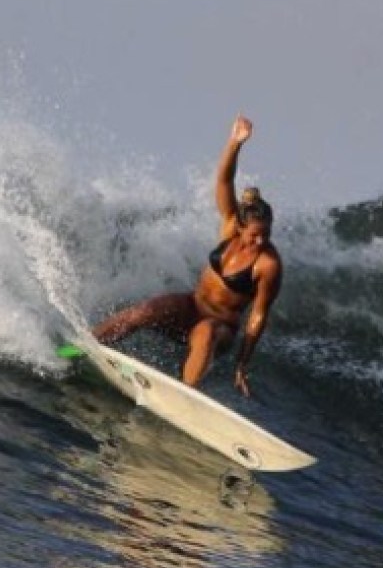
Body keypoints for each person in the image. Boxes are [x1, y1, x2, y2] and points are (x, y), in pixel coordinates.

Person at [92, 115, 282, 398]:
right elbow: (224, 179)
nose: (262, 240)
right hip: (191, 305)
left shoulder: (268, 265)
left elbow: (258, 316)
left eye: (266, 233)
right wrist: (235, 143)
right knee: (143, 312)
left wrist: (242, 365)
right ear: (241, 226)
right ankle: (86, 345)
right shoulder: (230, 224)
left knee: (205, 333)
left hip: (221, 327)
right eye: (255, 234)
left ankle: (185, 396)